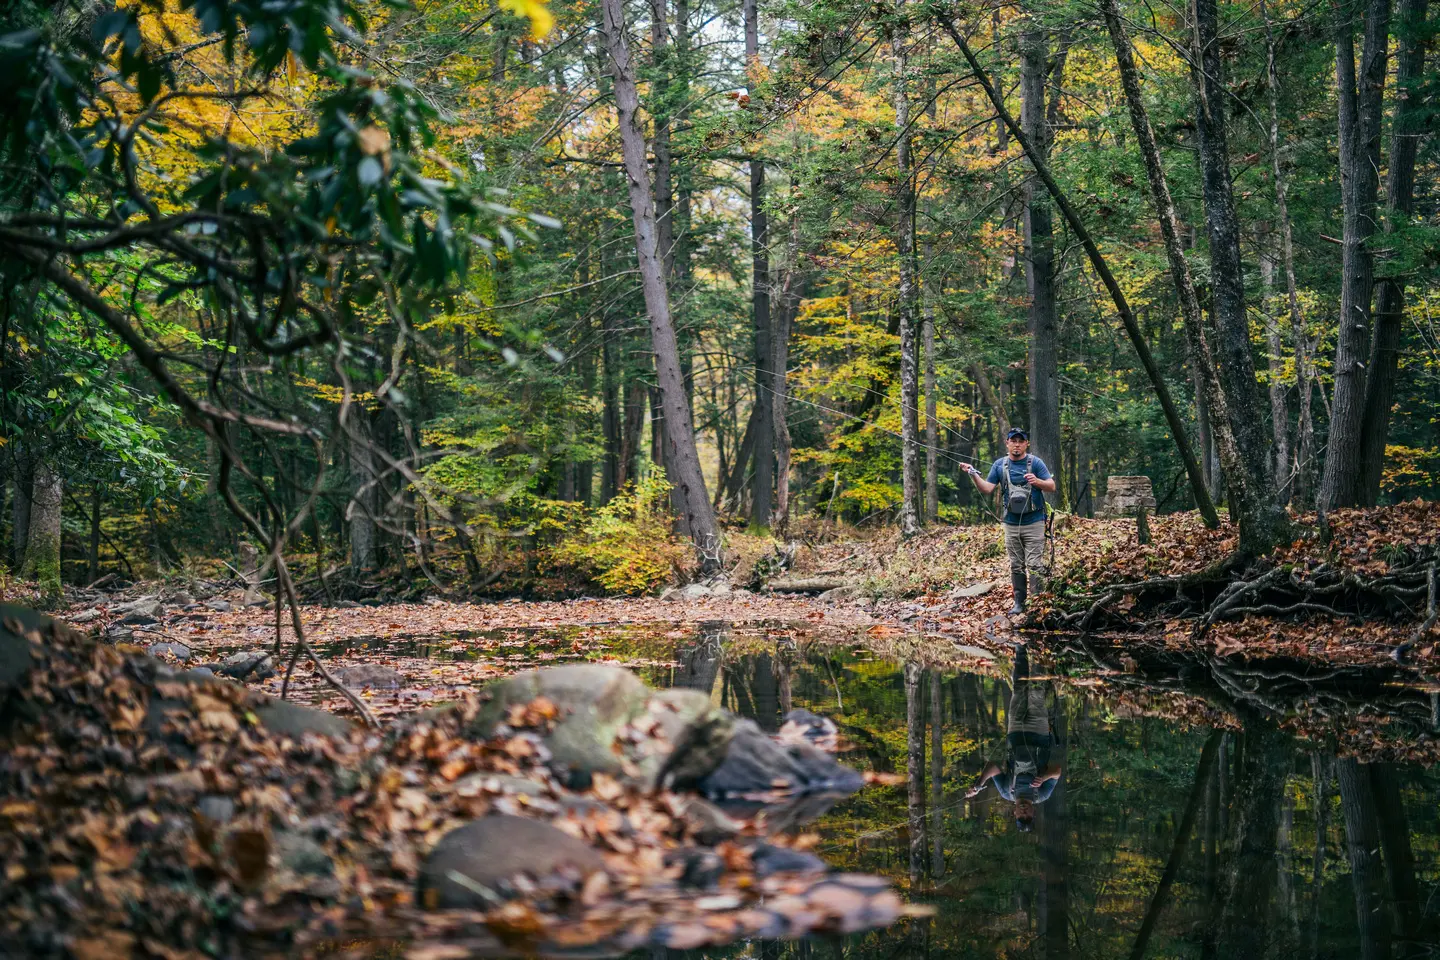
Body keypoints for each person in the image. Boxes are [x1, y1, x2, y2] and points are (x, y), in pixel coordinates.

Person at [964, 642, 1061, 832]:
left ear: (1014, 813)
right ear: (1033, 814)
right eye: (1028, 816)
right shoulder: (1042, 795)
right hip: (1040, 732)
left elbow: (993, 767)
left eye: (1021, 816)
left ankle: (1021, 648)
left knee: (1019, 688)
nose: (1024, 813)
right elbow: (1057, 771)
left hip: (1015, 730)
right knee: (1036, 691)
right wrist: (1043, 777)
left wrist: (978, 784)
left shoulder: (1006, 792)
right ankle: (1039, 645)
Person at [962, 427, 1056, 614]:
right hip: (1011, 524)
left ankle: (1039, 601)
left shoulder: (1035, 463)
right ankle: (1019, 603)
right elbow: (987, 489)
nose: (1017, 445)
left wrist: (1037, 481)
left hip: (1035, 522)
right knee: (1016, 564)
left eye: (1021, 441)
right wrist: (973, 474)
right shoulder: (999, 465)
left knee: (1034, 564)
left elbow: (1052, 486)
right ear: (1007, 443)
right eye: (1013, 441)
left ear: (1026, 444)